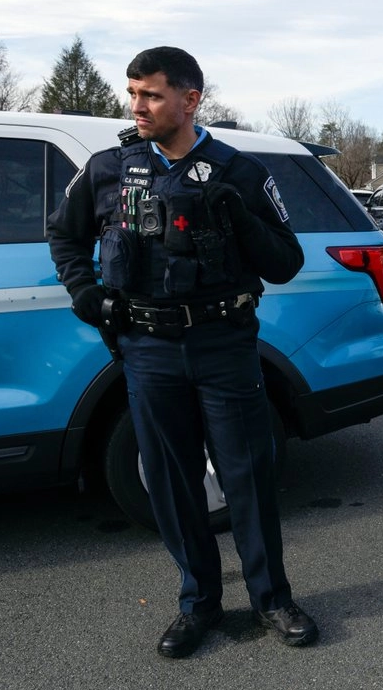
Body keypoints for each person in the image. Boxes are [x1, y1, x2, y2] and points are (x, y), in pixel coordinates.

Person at [47, 47, 318, 657]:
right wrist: (84, 291)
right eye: (133, 93)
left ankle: (272, 598)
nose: (137, 106)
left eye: (151, 95)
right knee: (171, 483)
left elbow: (285, 262)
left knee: (247, 476)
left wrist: (237, 217)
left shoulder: (238, 171)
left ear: (191, 99)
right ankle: (198, 604)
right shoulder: (109, 167)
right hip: (147, 349)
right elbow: (64, 233)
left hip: (223, 342)